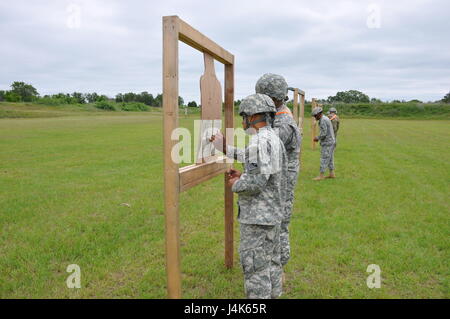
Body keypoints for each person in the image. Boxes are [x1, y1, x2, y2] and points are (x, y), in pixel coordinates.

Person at [211, 93, 288, 299]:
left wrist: (237, 183)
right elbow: (259, 166)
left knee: (255, 271)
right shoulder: (272, 138)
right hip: (271, 216)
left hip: (257, 220)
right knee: (271, 264)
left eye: (244, 116)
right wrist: (226, 149)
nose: (243, 121)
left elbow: (255, 183)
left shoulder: (259, 142)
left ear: (252, 116)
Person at [255, 73, 301, 272]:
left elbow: (265, 150)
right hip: (275, 179)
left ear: (273, 99)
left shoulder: (284, 123)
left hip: (280, 183)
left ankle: (279, 270)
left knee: (279, 225)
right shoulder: (276, 117)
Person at [312, 107, 336, 180]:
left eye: (315, 116)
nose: (315, 117)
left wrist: (317, 138)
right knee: (330, 158)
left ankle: (321, 175)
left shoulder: (323, 120)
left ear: (319, 114)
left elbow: (324, 133)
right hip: (331, 141)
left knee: (324, 158)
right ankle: (332, 174)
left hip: (327, 142)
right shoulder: (325, 118)